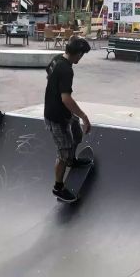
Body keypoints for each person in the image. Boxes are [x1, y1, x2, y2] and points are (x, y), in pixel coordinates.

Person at [44, 37, 93, 201]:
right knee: (63, 152)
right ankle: (58, 187)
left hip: (63, 112)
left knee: (77, 134)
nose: (81, 58)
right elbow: (66, 99)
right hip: (56, 116)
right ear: (78, 54)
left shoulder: (56, 59)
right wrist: (84, 116)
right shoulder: (66, 70)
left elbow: (48, 74)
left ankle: (72, 160)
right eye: (82, 55)